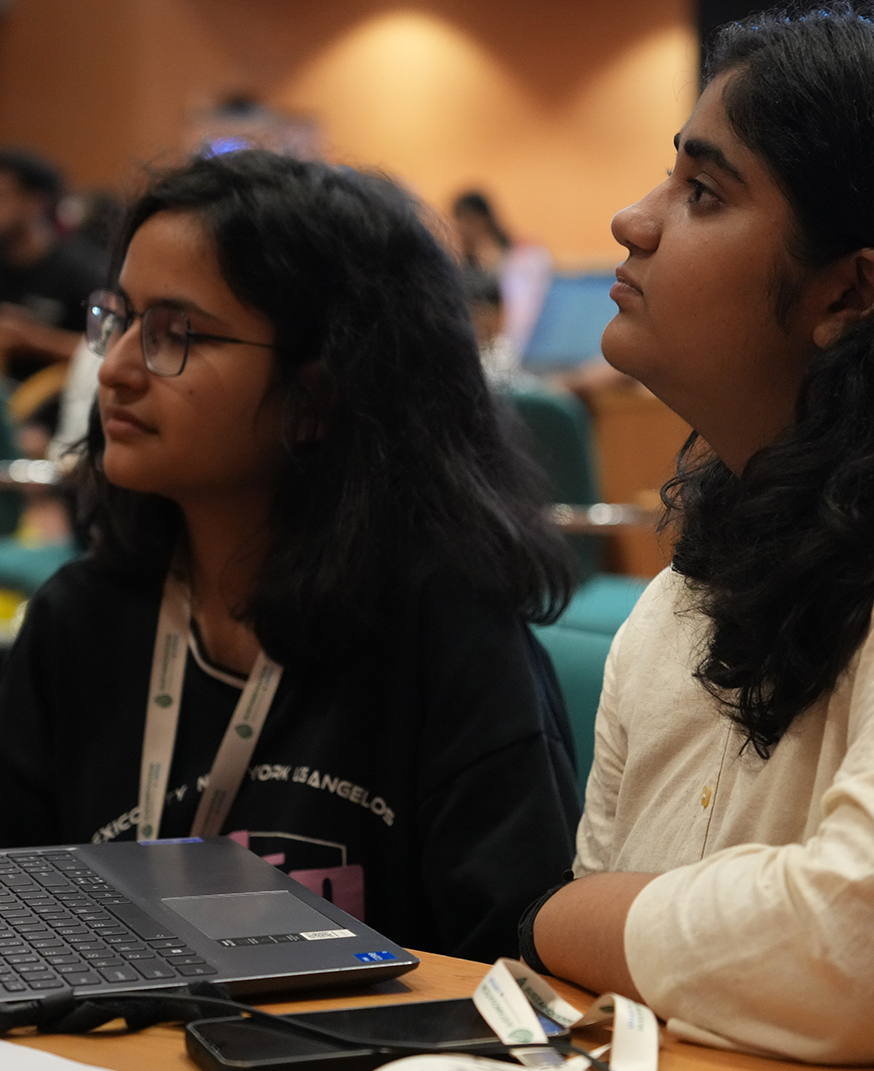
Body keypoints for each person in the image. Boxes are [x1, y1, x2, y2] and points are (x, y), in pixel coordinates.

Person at [526, 3, 874, 1071]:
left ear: (850, 293)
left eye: (703, 192)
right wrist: (588, 925)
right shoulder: (691, 588)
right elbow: (608, 997)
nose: (632, 221)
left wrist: (555, 917)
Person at [0, 149, 581, 963]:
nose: (118, 368)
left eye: (176, 334)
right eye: (119, 319)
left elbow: (520, 978)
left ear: (317, 396)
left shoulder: (449, 634)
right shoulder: (78, 623)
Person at [0, 149, 106, 381]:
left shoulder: (82, 271)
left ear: (36, 203)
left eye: (2, 197)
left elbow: (105, 349)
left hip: (49, 395)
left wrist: (33, 340)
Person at [451, 190, 553, 357]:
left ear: (481, 221)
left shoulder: (515, 259)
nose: (460, 229)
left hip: (505, 344)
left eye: (465, 221)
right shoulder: (464, 264)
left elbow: (516, 314)